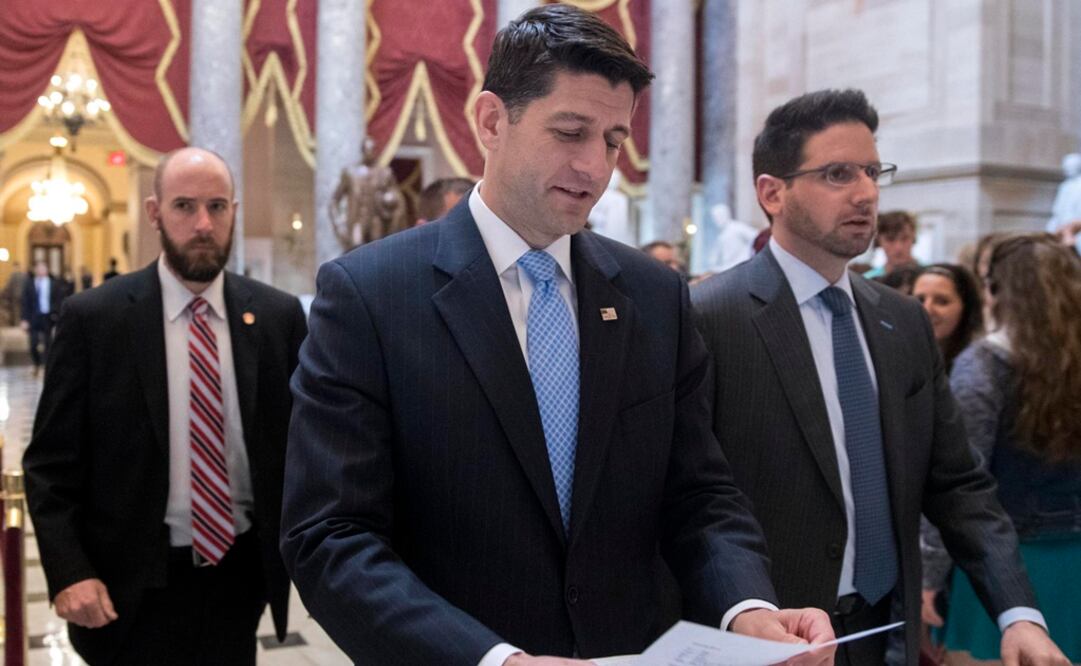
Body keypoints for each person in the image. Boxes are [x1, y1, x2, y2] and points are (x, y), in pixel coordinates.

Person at [281, 6, 833, 666]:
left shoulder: (654, 296)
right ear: (491, 121)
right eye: (570, 132)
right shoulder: (370, 294)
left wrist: (747, 609)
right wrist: (493, 660)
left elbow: (698, 494)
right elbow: (332, 536)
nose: (594, 167)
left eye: (613, 140)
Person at [692, 88, 1068, 666]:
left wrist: (1017, 614)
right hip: (773, 637)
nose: (866, 193)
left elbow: (957, 485)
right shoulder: (711, 317)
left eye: (872, 171)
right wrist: (743, 613)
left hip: (885, 633)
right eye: (838, 174)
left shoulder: (902, 320)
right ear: (772, 193)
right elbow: (693, 497)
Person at [23, 147, 307, 665]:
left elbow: (299, 448)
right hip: (130, 583)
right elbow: (49, 467)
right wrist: (70, 571)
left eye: (217, 207)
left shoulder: (276, 317)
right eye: (184, 206)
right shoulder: (95, 319)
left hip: (238, 575)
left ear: (234, 213)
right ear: (155, 214)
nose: (203, 224)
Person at [923, 234, 1081, 663]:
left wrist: (929, 574)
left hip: (1006, 568)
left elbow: (959, 481)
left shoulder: (986, 364)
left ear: (996, 290)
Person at [912, 264, 983, 373]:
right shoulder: (898, 357)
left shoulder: (977, 365)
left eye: (941, 301)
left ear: (966, 307)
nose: (927, 309)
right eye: (920, 300)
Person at [21, 260, 64, 376]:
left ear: (47, 270)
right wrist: (24, 319)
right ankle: (36, 363)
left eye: (43, 268)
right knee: (33, 343)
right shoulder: (29, 284)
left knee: (47, 342)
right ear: (35, 270)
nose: (40, 271)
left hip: (47, 316)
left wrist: (56, 315)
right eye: (38, 268)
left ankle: (45, 366)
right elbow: (25, 302)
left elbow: (58, 300)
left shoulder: (54, 283)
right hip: (33, 317)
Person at [865, 210, 919, 278]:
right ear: (879, 241)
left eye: (904, 239)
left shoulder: (930, 276)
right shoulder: (867, 281)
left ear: (913, 238)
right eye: (890, 240)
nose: (898, 247)